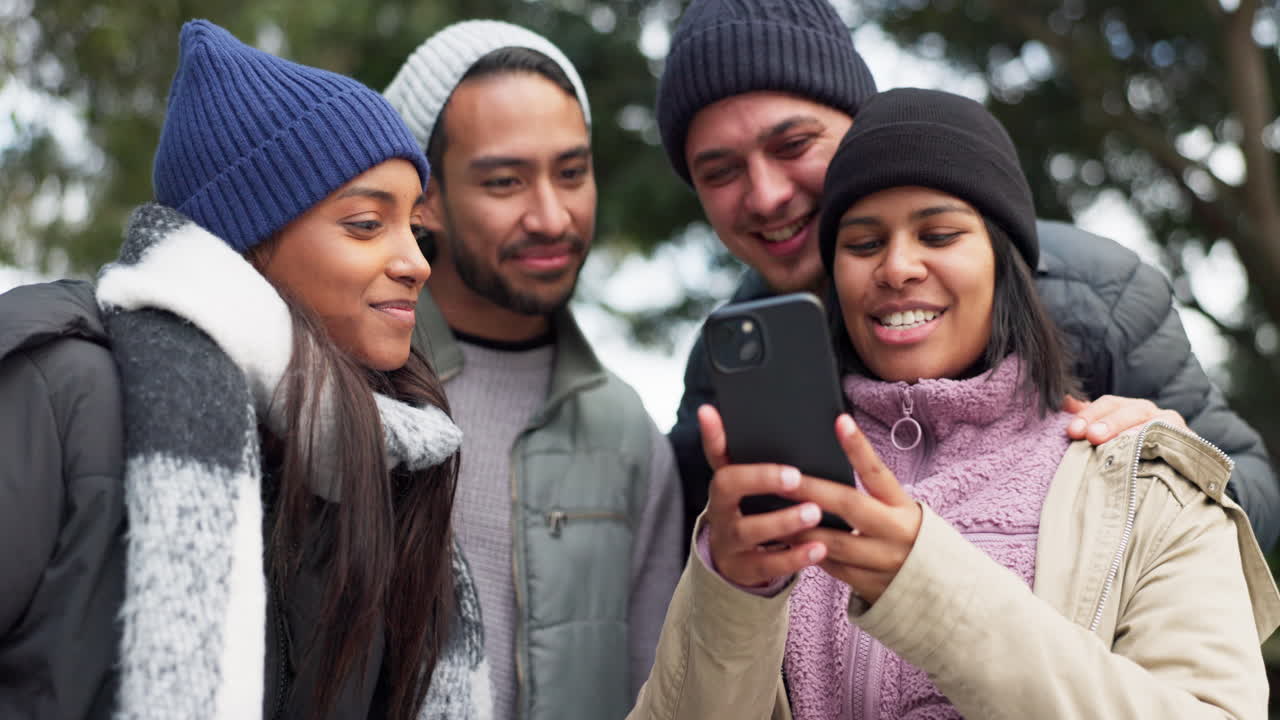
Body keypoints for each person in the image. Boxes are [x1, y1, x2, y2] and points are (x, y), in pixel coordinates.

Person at [629, 87, 1280, 720]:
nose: (897, 267)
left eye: (939, 234)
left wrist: (924, 587)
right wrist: (733, 592)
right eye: (862, 244)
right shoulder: (780, 485)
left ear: (1006, 266)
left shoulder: (1145, 480)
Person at [0, 20, 491, 720]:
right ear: (247, 245)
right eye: (365, 224)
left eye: (413, 223)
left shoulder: (390, 461)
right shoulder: (61, 389)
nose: (415, 260)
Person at [655, 0, 1280, 550]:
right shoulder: (728, 362)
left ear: (861, 130)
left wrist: (1184, 466)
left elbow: (1254, 494)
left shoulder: (1096, 293)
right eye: (720, 172)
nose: (764, 196)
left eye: (793, 146)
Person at [384, 20, 683, 720]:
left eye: (572, 172)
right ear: (424, 196)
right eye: (505, 181)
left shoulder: (626, 430)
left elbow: (658, 689)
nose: (552, 216)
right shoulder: (353, 389)